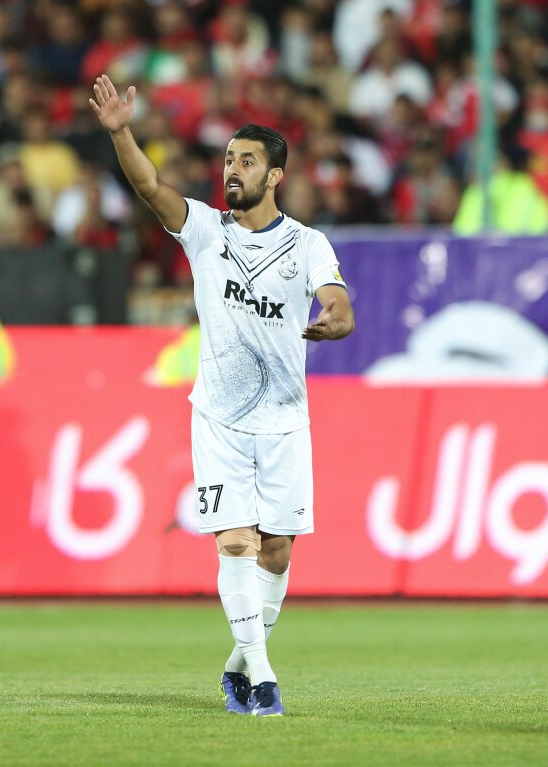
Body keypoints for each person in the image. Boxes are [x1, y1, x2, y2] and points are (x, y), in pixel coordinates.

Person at [89, 74, 355, 717]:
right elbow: (151, 187)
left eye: (247, 161)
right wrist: (122, 133)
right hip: (220, 417)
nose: (233, 169)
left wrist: (336, 320)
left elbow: (338, 301)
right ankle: (261, 678)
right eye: (229, 159)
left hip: (286, 419)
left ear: (275, 175)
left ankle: (239, 659)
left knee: (277, 550)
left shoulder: (308, 244)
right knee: (236, 542)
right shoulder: (207, 231)